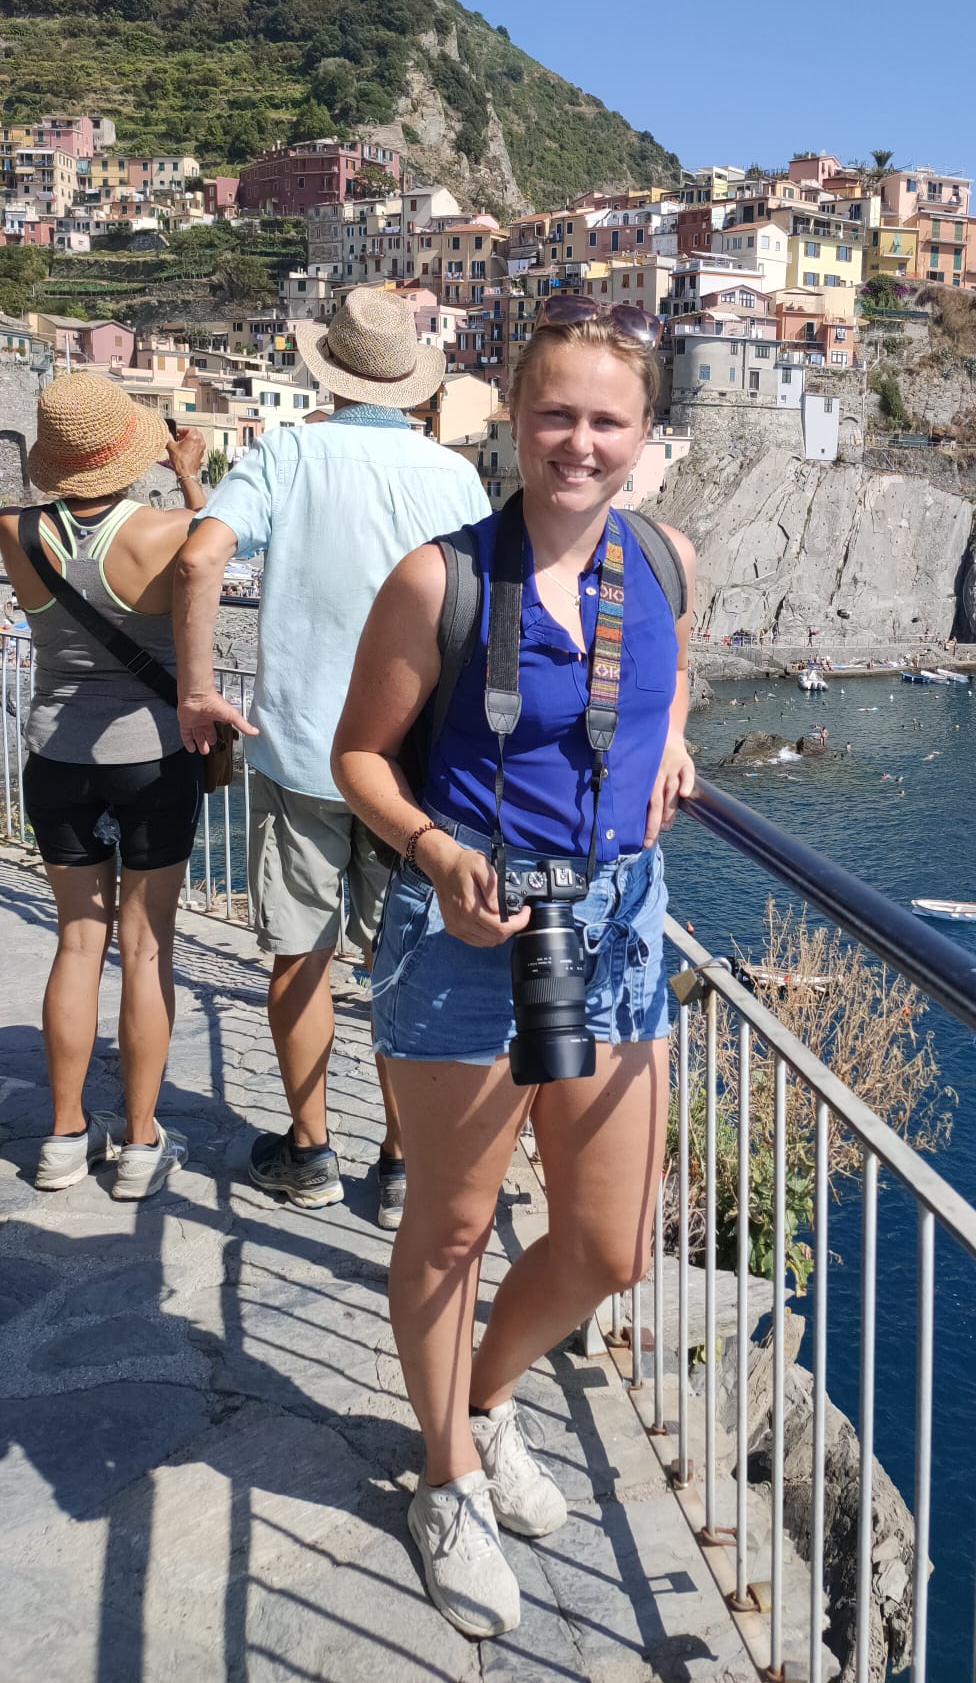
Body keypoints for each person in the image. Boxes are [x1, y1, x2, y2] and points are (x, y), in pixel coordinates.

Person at [331, 294, 695, 1639]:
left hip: (616, 930)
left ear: (647, 436)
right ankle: (448, 1474)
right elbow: (356, 759)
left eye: (609, 420)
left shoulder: (664, 562)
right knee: (453, 1231)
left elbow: (661, 680)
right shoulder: (440, 579)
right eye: (556, 415)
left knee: (607, 1247)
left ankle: (483, 1404)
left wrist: (669, 739)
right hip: (467, 934)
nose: (579, 444)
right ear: (512, 420)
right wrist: (431, 850)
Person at [173, 287, 490, 1225]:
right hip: (414, 770)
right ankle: (399, 1167)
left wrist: (198, 689)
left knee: (299, 954)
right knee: (401, 965)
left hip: (305, 750)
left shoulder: (288, 452)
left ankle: (309, 1151)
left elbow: (199, 560)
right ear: (411, 385)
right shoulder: (455, 478)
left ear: (330, 371)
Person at [0, 373, 206, 1199]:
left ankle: (61, 1139)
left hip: (56, 755)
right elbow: (225, 545)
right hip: (152, 755)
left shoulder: (14, 530)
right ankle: (142, 1144)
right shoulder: (171, 529)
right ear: (129, 447)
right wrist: (188, 471)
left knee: (77, 943)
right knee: (147, 946)